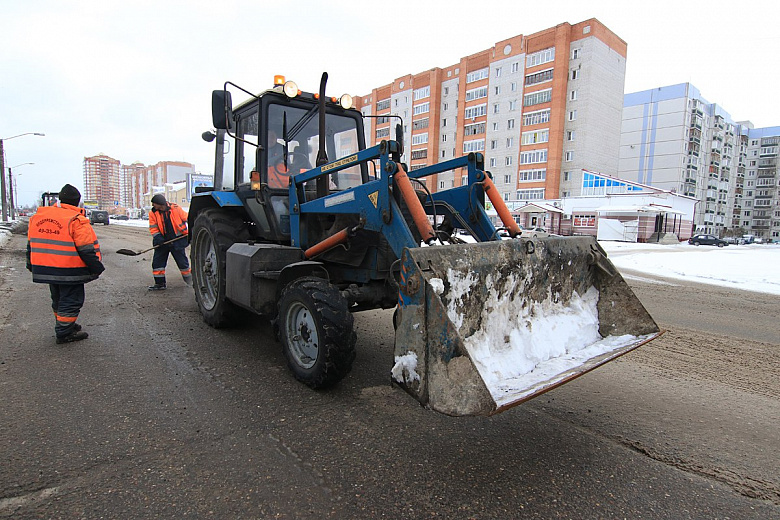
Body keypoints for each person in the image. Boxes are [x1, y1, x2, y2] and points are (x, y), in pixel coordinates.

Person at [26, 184, 105, 344]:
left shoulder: (38, 217)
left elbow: (30, 244)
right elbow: (86, 249)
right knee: (71, 300)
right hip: (69, 269)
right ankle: (64, 332)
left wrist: (30, 264)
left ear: (60, 200)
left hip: (46, 267)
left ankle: (66, 324)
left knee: (58, 298)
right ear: (77, 202)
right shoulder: (76, 219)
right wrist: (96, 267)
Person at [147, 193, 191, 290]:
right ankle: (160, 284)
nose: (153, 205)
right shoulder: (153, 213)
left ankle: (191, 283)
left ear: (160, 203)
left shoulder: (175, 208)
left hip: (177, 241)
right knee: (158, 264)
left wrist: (194, 228)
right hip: (162, 242)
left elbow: (187, 218)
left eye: (154, 203)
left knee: (183, 263)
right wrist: (158, 238)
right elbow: (153, 228)